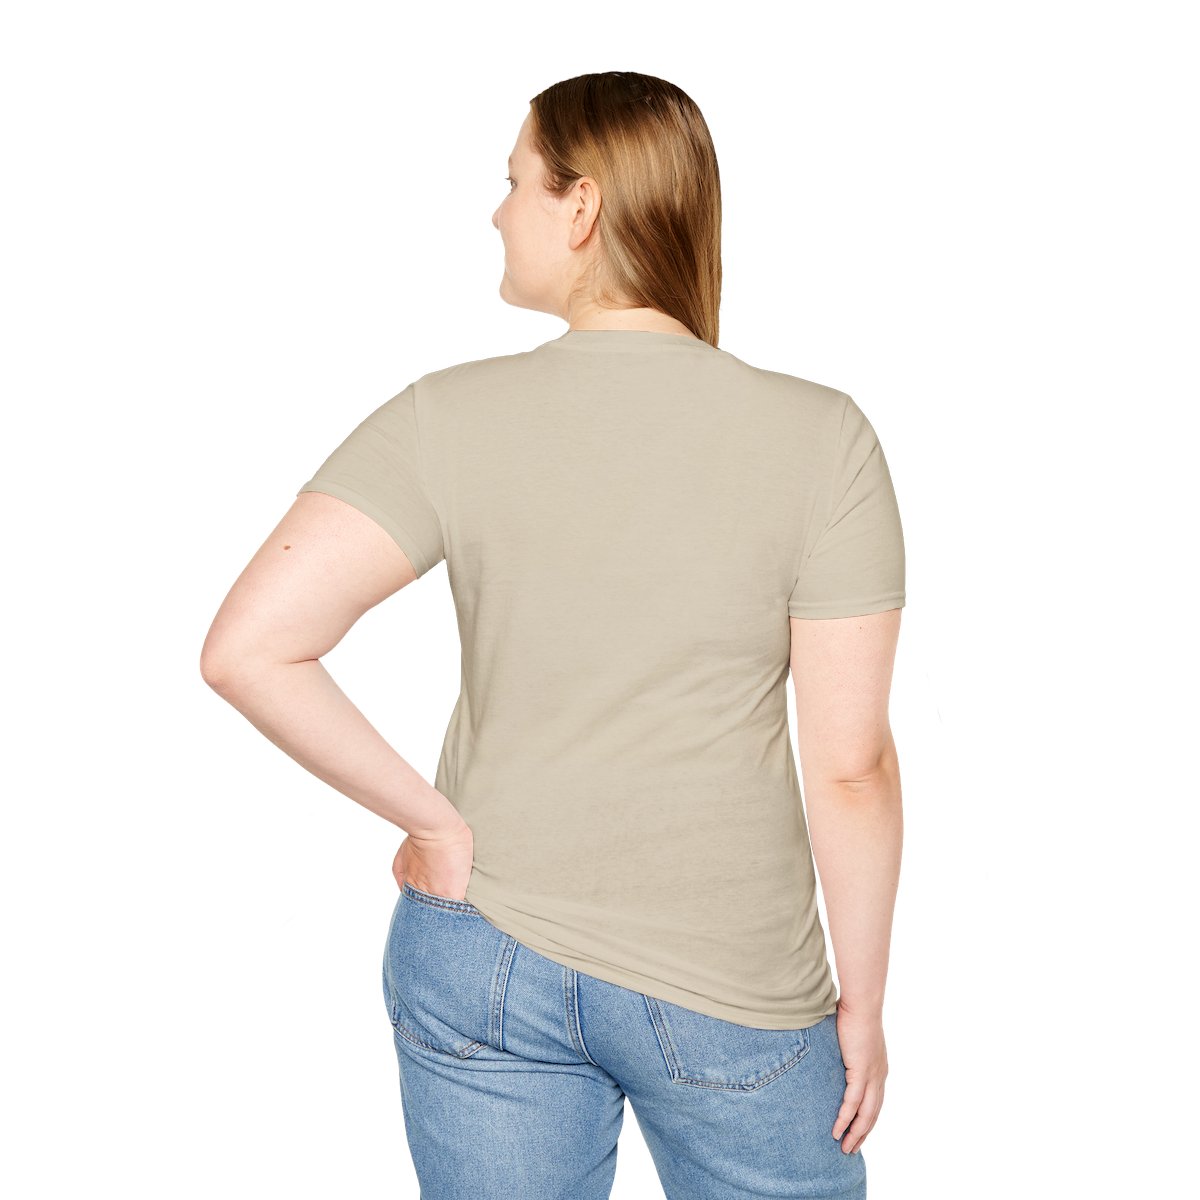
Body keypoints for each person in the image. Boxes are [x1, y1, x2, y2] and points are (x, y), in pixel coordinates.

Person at [201, 70, 905, 1200]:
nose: (497, 212)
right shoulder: (823, 438)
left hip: (485, 950)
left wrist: (431, 823)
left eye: (515, 181)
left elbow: (250, 647)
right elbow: (851, 765)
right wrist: (861, 1005)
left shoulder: (446, 415)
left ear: (582, 206)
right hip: (735, 985)